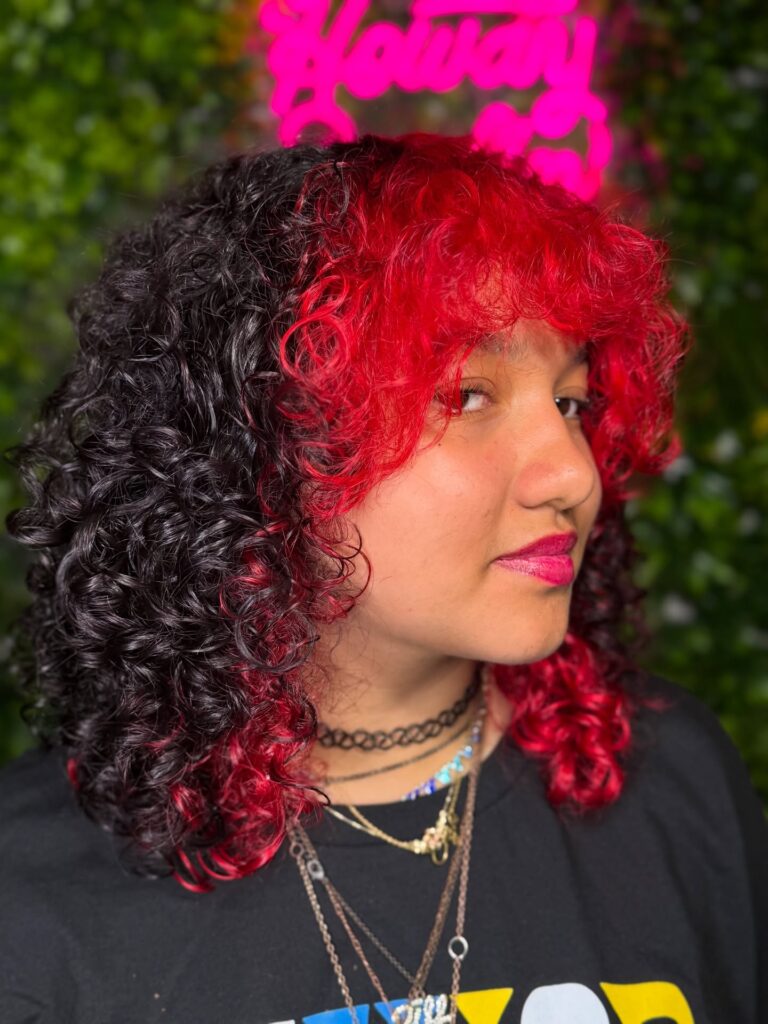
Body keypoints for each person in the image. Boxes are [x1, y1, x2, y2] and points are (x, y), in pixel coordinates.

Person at [0, 131, 765, 1024]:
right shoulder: (34, 902)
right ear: (267, 448)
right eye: (467, 396)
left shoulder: (675, 784)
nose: (573, 474)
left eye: (572, 403)